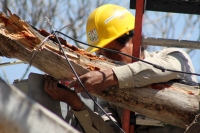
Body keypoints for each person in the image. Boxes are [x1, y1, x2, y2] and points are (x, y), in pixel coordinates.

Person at [44, 4, 197, 133]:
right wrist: (75, 103)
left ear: (135, 39)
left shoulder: (173, 56)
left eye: (112, 52)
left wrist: (109, 76)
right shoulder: (109, 91)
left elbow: (164, 68)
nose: (106, 59)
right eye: (100, 54)